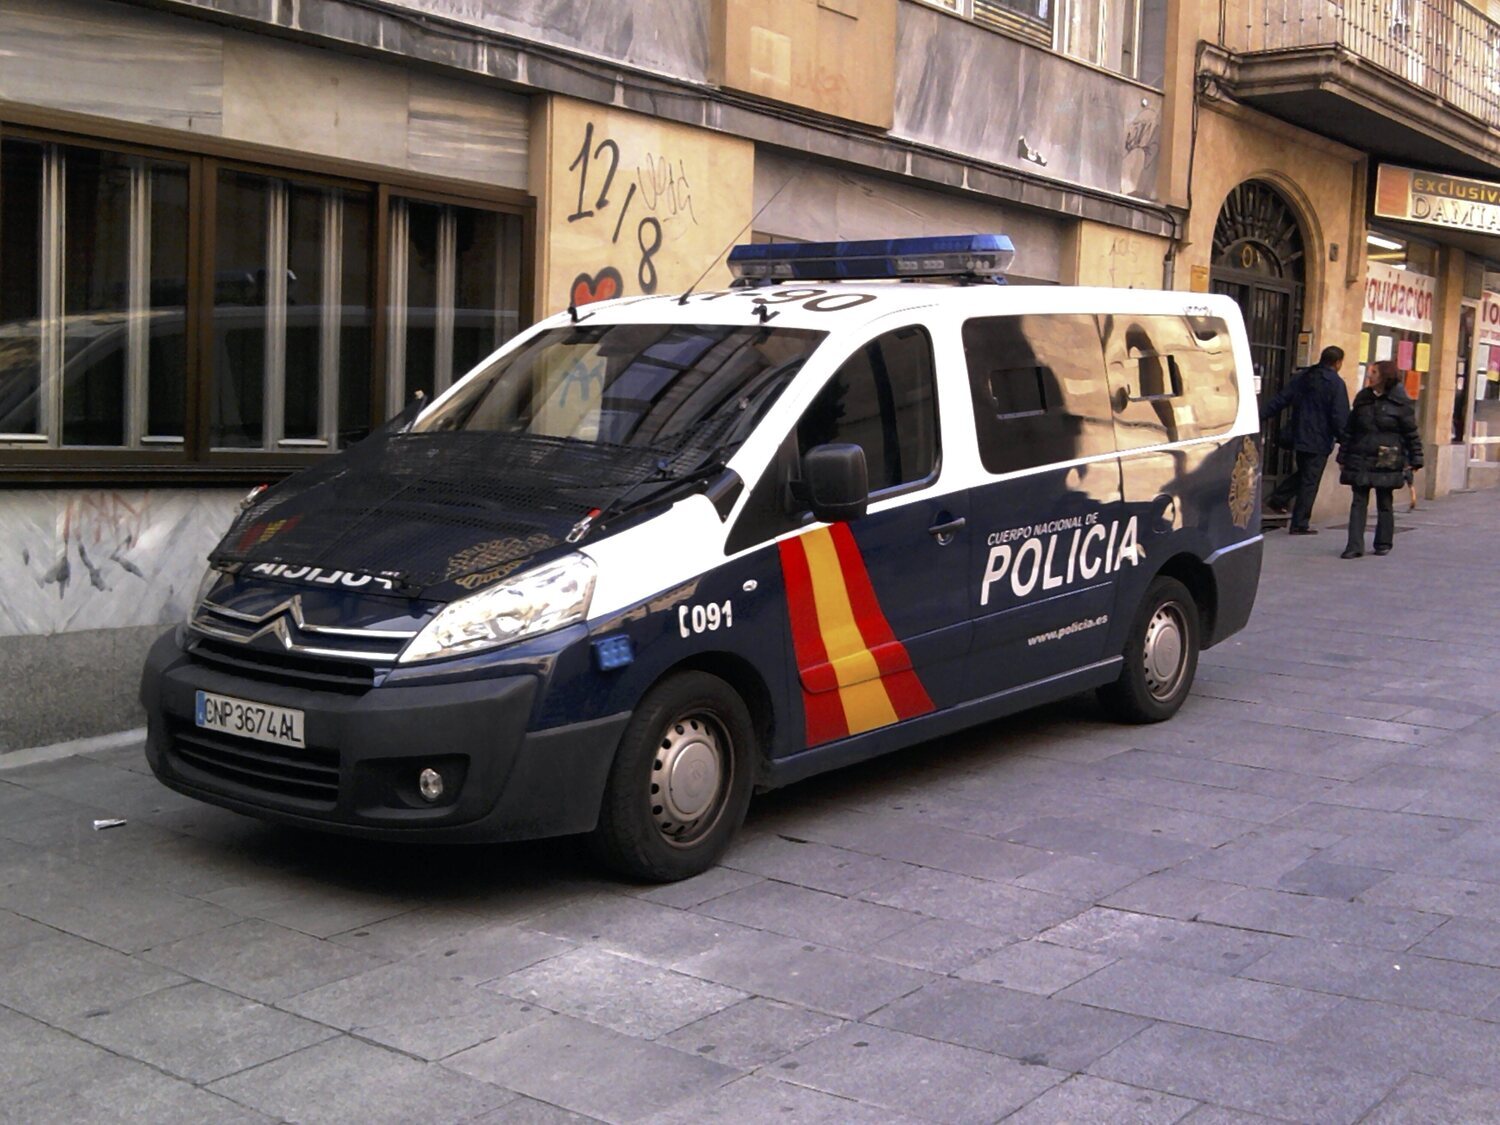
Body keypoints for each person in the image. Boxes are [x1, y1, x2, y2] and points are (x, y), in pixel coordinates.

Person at [1261, 346, 1352, 535]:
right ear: (1338, 363)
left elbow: (1281, 399)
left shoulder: (1304, 377)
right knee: (1310, 481)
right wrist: (1345, 440)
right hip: (1319, 439)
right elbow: (1339, 415)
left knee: (1304, 474)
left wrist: (1259, 416)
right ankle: (1299, 523)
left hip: (1299, 436)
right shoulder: (1335, 384)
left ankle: (1278, 499)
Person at [1337, 358, 1423, 559]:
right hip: (1361, 455)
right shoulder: (1363, 398)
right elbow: (1350, 430)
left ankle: (1383, 542)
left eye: (1374, 372)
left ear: (1385, 376)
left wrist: (1416, 458)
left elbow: (1411, 432)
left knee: (1385, 501)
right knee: (1358, 501)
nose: (1369, 375)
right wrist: (1343, 455)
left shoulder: (1400, 401)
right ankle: (1354, 545)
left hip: (1387, 457)